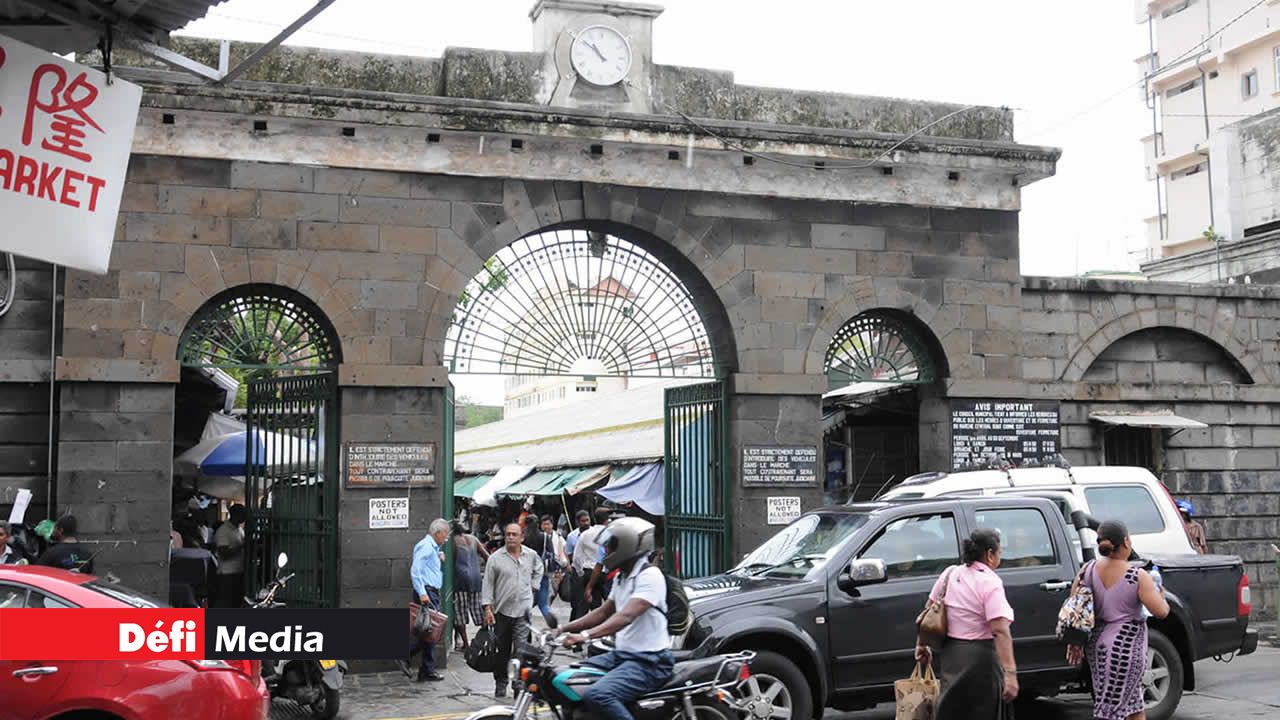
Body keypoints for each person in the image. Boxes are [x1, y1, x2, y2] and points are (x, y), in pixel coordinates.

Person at [550, 517, 673, 720]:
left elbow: (625, 616)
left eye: (610, 546)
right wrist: (563, 629)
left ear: (627, 546)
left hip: (650, 662)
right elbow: (603, 612)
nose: (605, 551)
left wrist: (585, 636)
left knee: (599, 695)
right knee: (568, 678)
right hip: (622, 656)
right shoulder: (621, 577)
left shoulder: (650, 576)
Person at [1066, 520, 1169, 720]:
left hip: (1097, 647)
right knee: (1110, 711)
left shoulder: (1087, 570)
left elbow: (1075, 607)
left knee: (1133, 704)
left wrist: (1075, 641)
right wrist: (1162, 596)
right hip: (1125, 648)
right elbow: (1161, 612)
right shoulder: (1136, 575)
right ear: (1126, 542)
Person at [916, 527, 1017, 720]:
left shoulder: (950, 574)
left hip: (952, 656)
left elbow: (929, 612)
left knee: (953, 711)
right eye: (999, 552)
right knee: (984, 712)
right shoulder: (990, 582)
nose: (999, 558)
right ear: (989, 554)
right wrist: (1010, 674)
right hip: (981, 660)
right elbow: (999, 631)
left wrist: (921, 644)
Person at [482, 523, 543, 698]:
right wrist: (487, 608)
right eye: (508, 534)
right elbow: (488, 584)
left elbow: (539, 569)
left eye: (514, 534)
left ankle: (518, 684)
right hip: (502, 612)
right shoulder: (495, 558)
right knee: (502, 651)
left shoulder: (531, 555)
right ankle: (501, 682)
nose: (510, 537)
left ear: (521, 537)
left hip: (523, 612)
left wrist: (534, 587)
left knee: (521, 651)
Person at [405, 518, 450, 682]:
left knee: (429, 630)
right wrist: (423, 594)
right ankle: (409, 656)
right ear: (437, 533)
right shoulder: (426, 546)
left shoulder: (432, 547)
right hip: (427, 592)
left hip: (430, 592)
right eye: (445, 534)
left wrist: (438, 556)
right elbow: (416, 571)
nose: (447, 538)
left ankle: (426, 669)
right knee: (431, 630)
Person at [451, 520, 490, 650]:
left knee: (460, 614)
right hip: (476, 580)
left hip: (460, 582)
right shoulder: (473, 539)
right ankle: (486, 639)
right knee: (478, 611)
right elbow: (487, 556)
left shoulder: (453, 542)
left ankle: (466, 644)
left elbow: (451, 563)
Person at [532, 514, 567, 629]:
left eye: (548, 523)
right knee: (543, 602)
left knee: (532, 602)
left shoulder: (523, 537)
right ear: (539, 525)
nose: (546, 526)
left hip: (536, 574)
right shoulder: (543, 537)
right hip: (542, 573)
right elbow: (552, 555)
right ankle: (552, 623)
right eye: (544, 524)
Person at [579, 508, 614, 611]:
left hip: (591, 572)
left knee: (595, 607)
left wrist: (580, 573)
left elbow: (578, 556)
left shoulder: (586, 534)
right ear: (607, 520)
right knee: (613, 606)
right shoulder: (611, 534)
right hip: (609, 575)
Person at [213, 504, 246, 608]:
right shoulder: (223, 530)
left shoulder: (239, 529)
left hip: (238, 572)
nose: (245, 516)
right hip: (227, 574)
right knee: (226, 603)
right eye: (242, 514)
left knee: (236, 603)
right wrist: (242, 546)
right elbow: (224, 553)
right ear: (235, 514)